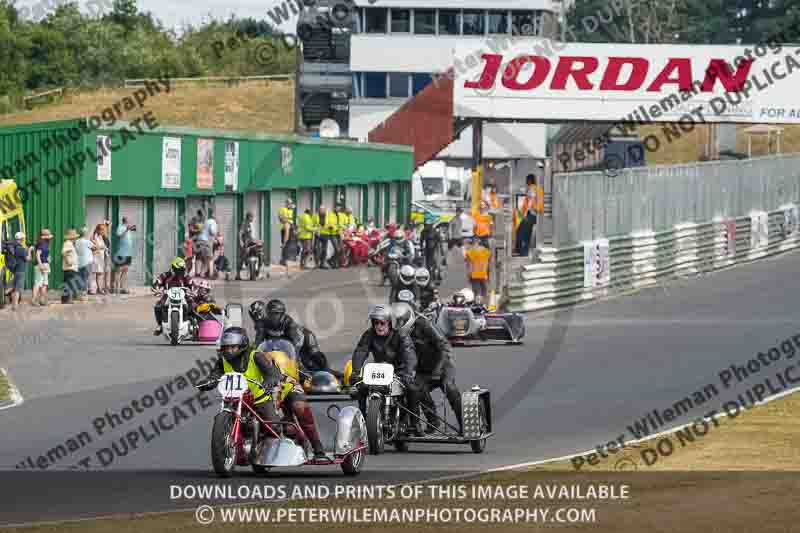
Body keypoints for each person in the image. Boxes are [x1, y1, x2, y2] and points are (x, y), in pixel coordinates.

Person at [198, 327, 328, 461]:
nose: (228, 351)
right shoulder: (222, 361)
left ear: (242, 346)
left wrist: (269, 380)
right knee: (222, 418)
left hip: (263, 396)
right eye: (225, 348)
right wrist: (208, 382)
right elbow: (215, 375)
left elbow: (272, 372)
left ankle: (318, 448)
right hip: (237, 398)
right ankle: (238, 452)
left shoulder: (255, 356)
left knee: (279, 423)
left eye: (232, 347)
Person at [350, 305, 424, 434]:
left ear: (389, 323)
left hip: (400, 371)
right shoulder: (369, 334)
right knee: (360, 387)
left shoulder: (401, 336)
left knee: (412, 389)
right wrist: (356, 371)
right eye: (376, 323)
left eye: (382, 323)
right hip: (379, 371)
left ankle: (415, 422)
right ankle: (364, 419)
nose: (379, 326)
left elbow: (409, 355)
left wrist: (408, 373)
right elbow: (361, 351)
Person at [393, 302, 462, 433]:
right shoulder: (398, 332)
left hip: (442, 365)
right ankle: (433, 421)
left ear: (409, 318)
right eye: (397, 321)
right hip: (422, 370)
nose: (399, 324)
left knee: (450, 388)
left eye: (401, 321)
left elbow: (444, 347)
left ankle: (464, 425)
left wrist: (438, 369)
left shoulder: (424, 324)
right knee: (416, 388)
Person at [152, 257, 192, 335]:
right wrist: (156, 289)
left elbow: (191, 283)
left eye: (182, 270)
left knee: (192, 304)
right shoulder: (165, 275)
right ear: (173, 268)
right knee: (158, 306)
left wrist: (192, 290)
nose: (180, 272)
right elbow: (157, 282)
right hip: (167, 295)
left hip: (183, 296)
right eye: (178, 270)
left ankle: (192, 324)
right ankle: (160, 325)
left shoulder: (185, 276)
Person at [5, 231, 31, 310]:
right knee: (17, 289)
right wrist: (29, 250)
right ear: (21, 239)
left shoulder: (14, 247)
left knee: (13, 288)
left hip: (15, 270)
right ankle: (15, 306)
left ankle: (13, 304)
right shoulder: (21, 249)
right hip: (21, 270)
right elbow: (28, 259)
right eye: (23, 239)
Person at [463, 237, 491, 303]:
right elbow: (489, 265)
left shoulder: (470, 252)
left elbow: (469, 266)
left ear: (473, 243)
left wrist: (468, 276)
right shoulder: (486, 251)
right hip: (484, 275)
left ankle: (478, 306)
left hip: (474, 275)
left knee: (477, 293)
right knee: (484, 292)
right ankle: (485, 305)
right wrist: (488, 275)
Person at [113, 216, 135, 295]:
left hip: (128, 253)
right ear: (124, 221)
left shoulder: (127, 227)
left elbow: (134, 229)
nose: (128, 222)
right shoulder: (120, 227)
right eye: (127, 221)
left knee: (125, 271)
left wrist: (130, 228)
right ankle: (116, 288)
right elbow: (119, 236)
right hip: (121, 253)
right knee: (118, 271)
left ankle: (123, 288)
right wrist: (126, 229)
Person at [32, 229, 53, 307]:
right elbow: (38, 255)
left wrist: (48, 258)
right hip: (40, 265)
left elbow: (44, 254)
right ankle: (34, 300)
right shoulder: (41, 244)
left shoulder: (46, 243)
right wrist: (40, 264)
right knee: (38, 283)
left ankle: (42, 300)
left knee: (44, 283)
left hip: (45, 264)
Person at [75, 227, 95, 301]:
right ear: (86, 233)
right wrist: (92, 240)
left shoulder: (76, 241)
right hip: (87, 262)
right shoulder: (87, 241)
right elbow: (96, 247)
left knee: (80, 278)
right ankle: (84, 295)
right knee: (85, 278)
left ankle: (80, 294)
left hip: (79, 262)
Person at [61, 229, 80, 304]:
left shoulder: (70, 243)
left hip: (71, 267)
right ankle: (67, 299)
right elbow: (63, 252)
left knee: (68, 283)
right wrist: (68, 261)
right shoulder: (68, 243)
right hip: (69, 267)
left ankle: (66, 299)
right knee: (69, 283)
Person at [91, 224, 108, 295]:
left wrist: (104, 248)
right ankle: (93, 289)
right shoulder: (93, 237)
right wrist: (102, 247)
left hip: (101, 257)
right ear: (98, 230)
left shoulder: (101, 237)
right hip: (95, 257)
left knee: (100, 273)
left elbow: (104, 246)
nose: (103, 231)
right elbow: (94, 247)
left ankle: (99, 289)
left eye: (103, 230)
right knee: (94, 274)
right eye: (102, 230)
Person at [278, 199, 295, 266]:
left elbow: (293, 207)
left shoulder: (290, 210)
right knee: (285, 244)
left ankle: (285, 259)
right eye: (289, 203)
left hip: (290, 227)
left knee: (288, 245)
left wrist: (293, 226)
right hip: (284, 227)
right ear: (286, 203)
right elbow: (281, 218)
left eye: (291, 203)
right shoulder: (282, 209)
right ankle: (283, 260)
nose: (290, 204)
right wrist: (287, 220)